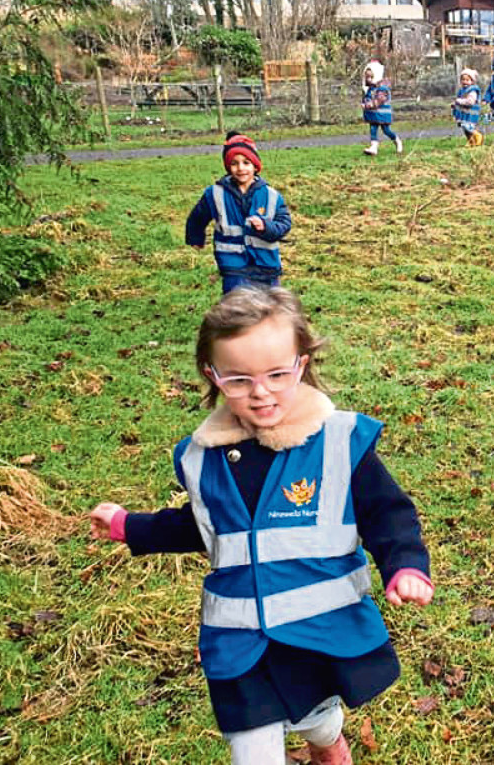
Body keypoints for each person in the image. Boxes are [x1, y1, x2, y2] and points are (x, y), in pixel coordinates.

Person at [88, 286, 433, 765]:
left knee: (317, 714)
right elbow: (204, 525)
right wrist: (133, 526)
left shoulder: (339, 441)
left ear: (303, 363)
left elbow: (387, 513)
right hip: (238, 640)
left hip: (318, 630)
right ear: (212, 376)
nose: (261, 391)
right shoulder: (201, 458)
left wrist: (406, 565)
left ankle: (327, 741)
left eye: (277, 374)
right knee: (252, 751)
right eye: (239, 380)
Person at [186, 132, 292, 294]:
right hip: (233, 264)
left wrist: (266, 226)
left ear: (255, 166)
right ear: (229, 167)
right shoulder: (215, 193)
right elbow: (198, 216)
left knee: (271, 305)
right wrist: (195, 237)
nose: (241, 168)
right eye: (234, 163)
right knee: (237, 306)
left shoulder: (271, 196)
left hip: (266, 264)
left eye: (246, 162)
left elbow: (284, 224)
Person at [361, 60, 402, 156]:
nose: (369, 79)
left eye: (371, 77)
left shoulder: (383, 88)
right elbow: (368, 98)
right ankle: (374, 147)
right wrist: (365, 101)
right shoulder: (370, 88)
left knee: (386, 131)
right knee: (373, 130)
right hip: (373, 115)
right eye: (367, 77)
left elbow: (379, 101)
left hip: (382, 114)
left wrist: (367, 105)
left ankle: (397, 141)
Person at [452, 68, 484, 147]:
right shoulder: (462, 90)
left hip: (470, 114)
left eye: (467, 80)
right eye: (463, 80)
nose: (465, 82)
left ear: (472, 81)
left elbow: (470, 102)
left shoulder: (472, 91)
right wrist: (455, 105)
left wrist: (459, 101)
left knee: (468, 127)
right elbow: (460, 100)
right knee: (465, 129)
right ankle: (471, 142)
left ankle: (477, 135)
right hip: (464, 114)